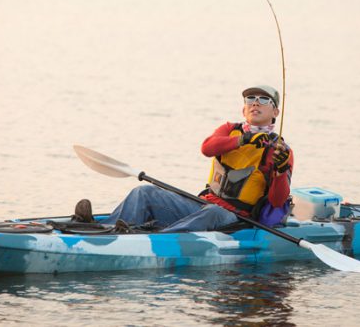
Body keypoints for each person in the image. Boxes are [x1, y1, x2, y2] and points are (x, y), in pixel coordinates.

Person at [73, 85, 294, 232]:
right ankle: (105, 230)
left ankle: (155, 236)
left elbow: (276, 201)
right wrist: (243, 140)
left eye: (263, 99)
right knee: (144, 192)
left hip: (235, 217)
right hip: (202, 203)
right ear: (243, 108)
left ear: (275, 112)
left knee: (214, 212)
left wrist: (281, 170)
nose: (255, 103)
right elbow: (207, 148)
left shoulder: (280, 150)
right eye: (250, 99)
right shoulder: (229, 130)